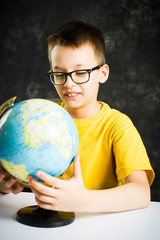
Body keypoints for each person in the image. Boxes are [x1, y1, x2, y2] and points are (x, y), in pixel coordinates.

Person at [0, 20, 154, 213]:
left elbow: (141, 192)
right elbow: (26, 176)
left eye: (81, 72)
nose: (69, 83)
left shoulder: (117, 126)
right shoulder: (39, 120)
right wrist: (6, 185)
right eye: (59, 73)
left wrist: (85, 201)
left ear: (102, 73)